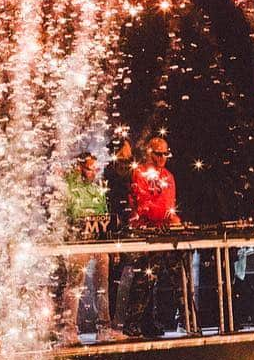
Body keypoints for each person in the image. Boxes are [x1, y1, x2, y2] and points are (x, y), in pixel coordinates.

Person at [123, 136, 196, 337]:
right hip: (147, 233)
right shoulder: (139, 174)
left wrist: (175, 221)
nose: (162, 158)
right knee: (146, 279)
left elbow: (169, 205)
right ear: (149, 153)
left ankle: (188, 321)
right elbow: (143, 205)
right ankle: (134, 322)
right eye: (158, 154)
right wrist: (167, 216)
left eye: (165, 153)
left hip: (165, 232)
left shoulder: (169, 176)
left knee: (180, 277)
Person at [57, 152, 121, 344]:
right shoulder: (67, 186)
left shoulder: (97, 188)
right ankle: (69, 329)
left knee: (103, 284)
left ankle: (104, 327)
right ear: (79, 168)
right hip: (77, 243)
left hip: (97, 242)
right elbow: (69, 215)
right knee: (75, 284)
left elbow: (105, 215)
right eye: (90, 168)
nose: (94, 172)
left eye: (95, 169)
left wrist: (112, 246)